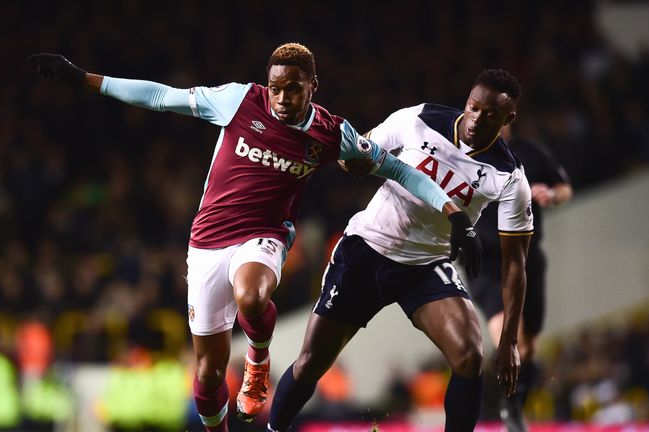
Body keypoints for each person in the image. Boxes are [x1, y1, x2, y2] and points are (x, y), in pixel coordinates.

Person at [28, 43, 481, 431]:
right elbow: (161, 97)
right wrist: (84, 77)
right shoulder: (239, 101)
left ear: (312, 86)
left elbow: (398, 167)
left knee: (250, 296)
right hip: (207, 240)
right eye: (276, 87)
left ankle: (258, 362)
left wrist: (453, 211)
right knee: (206, 375)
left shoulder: (331, 133)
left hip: (265, 235)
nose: (281, 98)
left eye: (293, 88)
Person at [267, 69, 533, 432]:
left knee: (470, 356)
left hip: (425, 266)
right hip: (366, 251)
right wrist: (356, 162)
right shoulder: (420, 118)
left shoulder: (509, 176)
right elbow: (357, 152)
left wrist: (510, 342)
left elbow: (515, 265)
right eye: (473, 108)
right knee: (312, 362)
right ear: (467, 101)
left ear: (508, 119)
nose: (476, 119)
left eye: (490, 115)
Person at [469, 124, 572, 432]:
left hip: (527, 261)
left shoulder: (531, 152)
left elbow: (565, 187)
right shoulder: (467, 155)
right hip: (486, 263)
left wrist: (552, 194)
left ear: (509, 117)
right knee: (509, 338)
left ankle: (512, 407)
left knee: (527, 348)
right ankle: (504, 411)